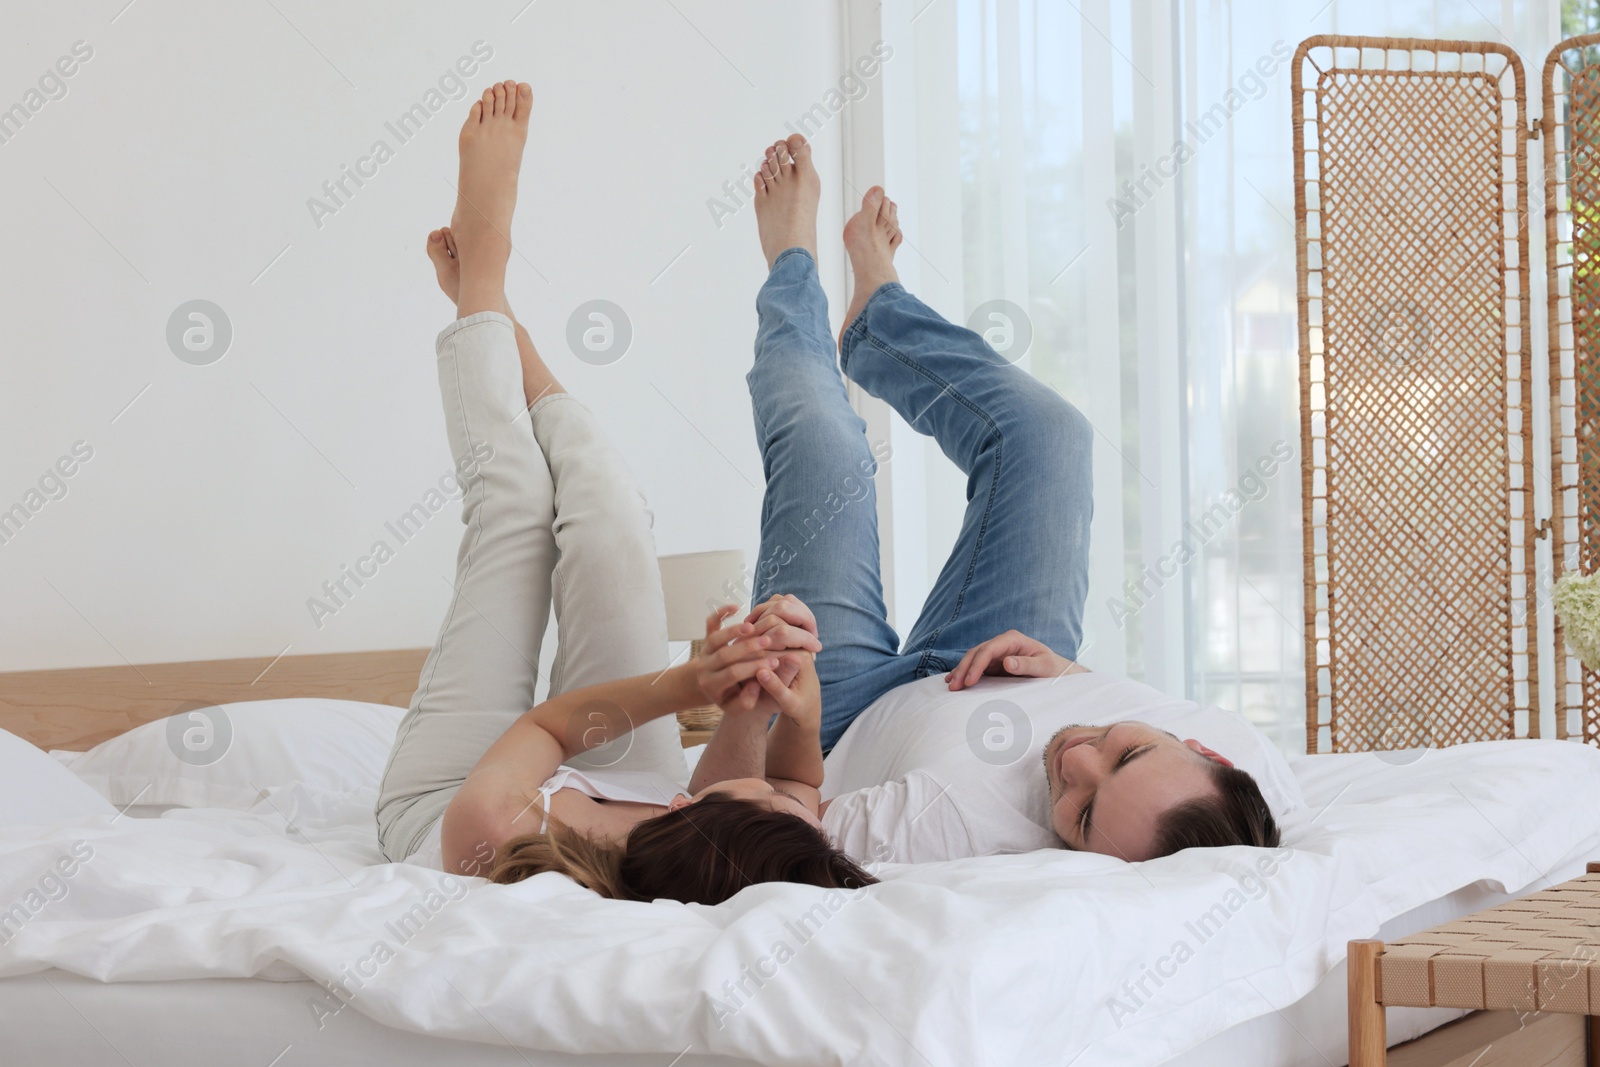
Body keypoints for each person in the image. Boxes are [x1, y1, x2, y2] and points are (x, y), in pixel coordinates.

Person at [373, 82, 874, 904]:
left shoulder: (496, 845)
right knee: (612, 518)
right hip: (619, 785)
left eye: (718, 792)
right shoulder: (759, 857)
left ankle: (486, 268)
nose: (755, 788)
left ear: (680, 826)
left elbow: (545, 726)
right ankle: (492, 316)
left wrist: (690, 687)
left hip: (459, 787)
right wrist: (778, 701)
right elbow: (797, 794)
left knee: (517, 507)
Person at [738, 133, 1283, 865]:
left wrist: (789, 722)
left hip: (839, 713)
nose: (1077, 763)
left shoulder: (958, 826)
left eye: (1083, 814)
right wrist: (1070, 676)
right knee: (1052, 437)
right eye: (1126, 754)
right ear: (1199, 747)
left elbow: (785, 819)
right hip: (1016, 661)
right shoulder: (1249, 761)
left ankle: (791, 265)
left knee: (827, 445)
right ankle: (878, 321)